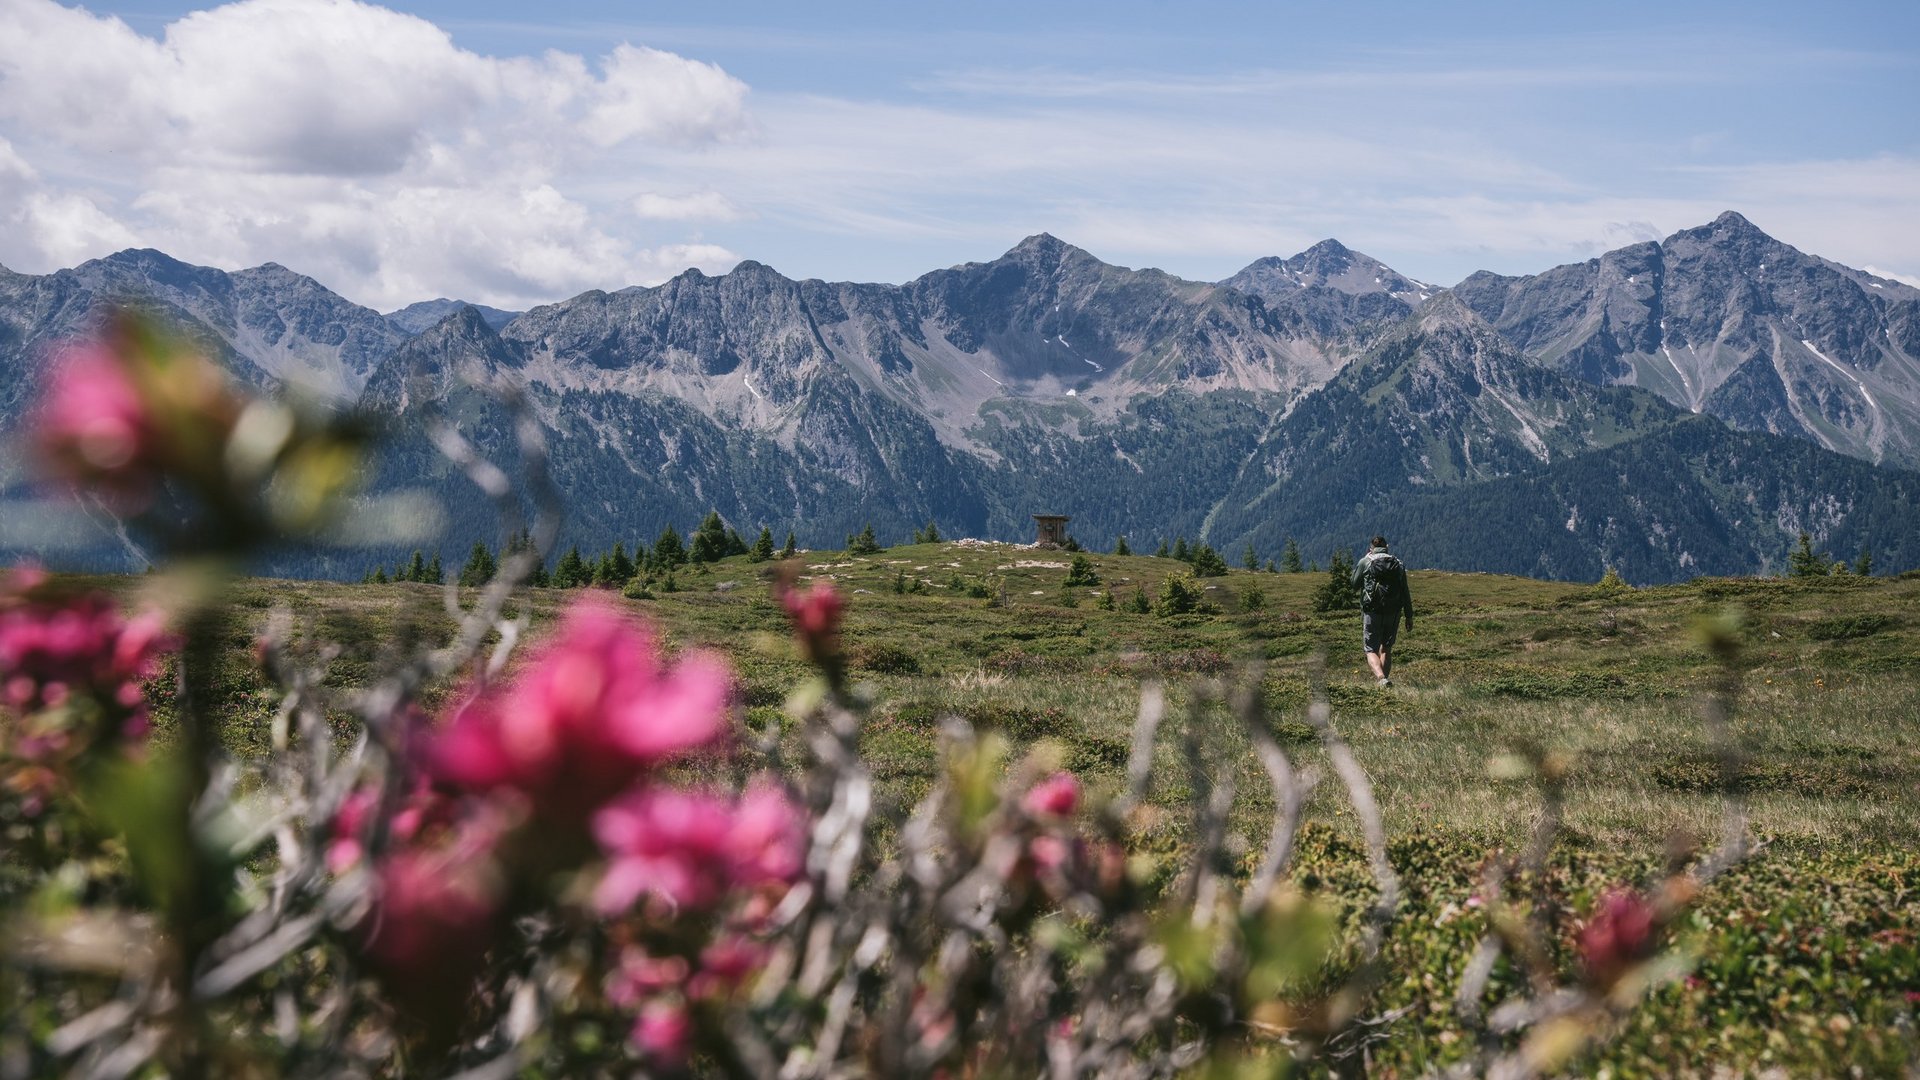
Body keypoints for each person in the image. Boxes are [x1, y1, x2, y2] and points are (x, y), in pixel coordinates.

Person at [1351, 535, 1412, 687]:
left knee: (1370, 648)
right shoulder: (1398, 563)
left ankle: (1381, 678)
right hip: (1394, 611)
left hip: (1372, 611)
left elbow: (1353, 584)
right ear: (1387, 547)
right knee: (1386, 648)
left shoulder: (1366, 561)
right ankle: (1384, 683)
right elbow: (1405, 591)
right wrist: (1409, 615)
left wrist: (1363, 561)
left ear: (1371, 547)